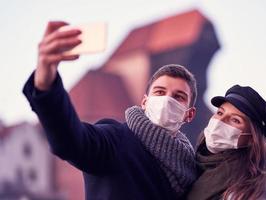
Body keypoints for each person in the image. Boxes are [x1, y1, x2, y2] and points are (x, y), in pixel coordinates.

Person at [23, 21, 198, 200]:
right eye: (159, 92)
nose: (166, 100)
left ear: (189, 114)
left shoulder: (191, 169)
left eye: (178, 97)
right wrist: (45, 85)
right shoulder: (116, 140)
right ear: (145, 102)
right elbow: (72, 140)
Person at [187, 85, 266, 200]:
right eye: (220, 113)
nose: (220, 121)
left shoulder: (255, 192)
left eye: (235, 120)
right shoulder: (188, 166)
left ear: (251, 139)